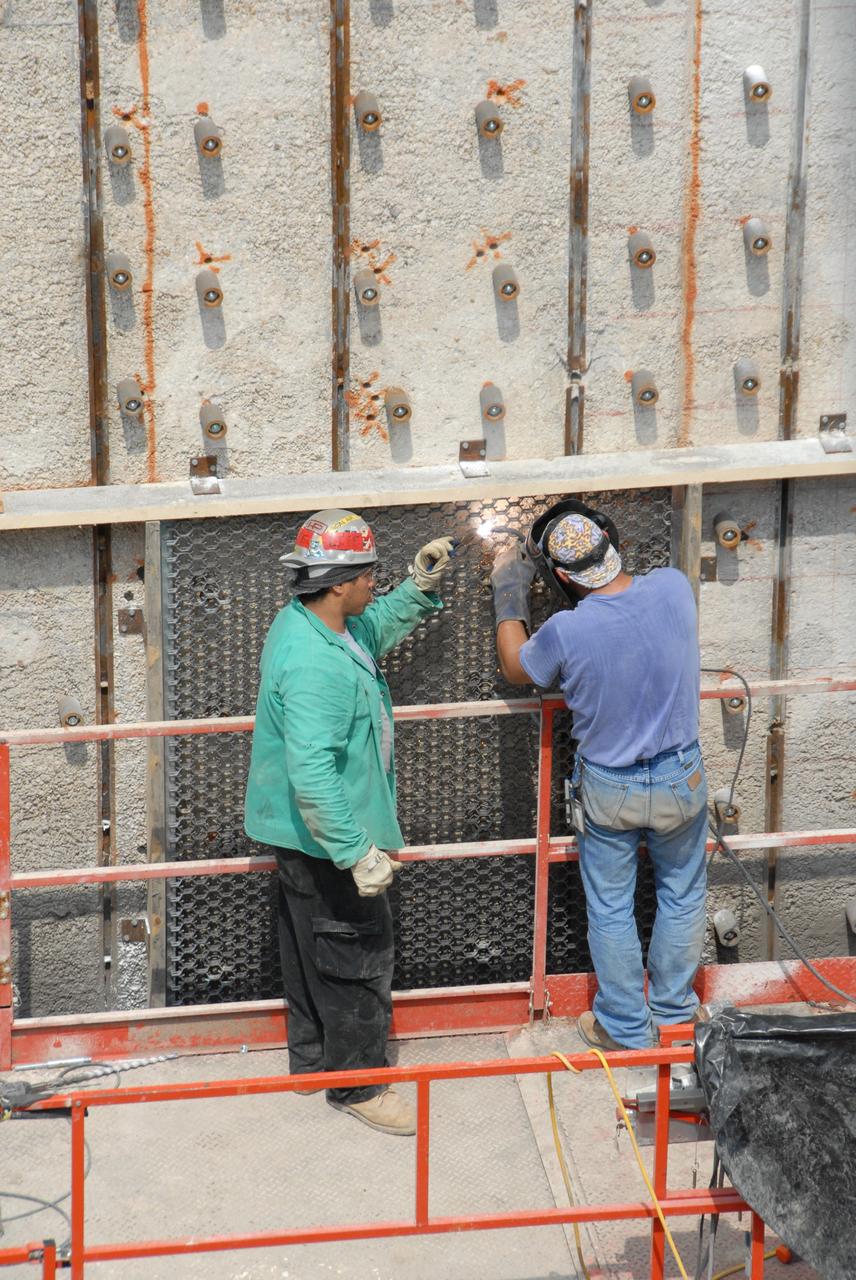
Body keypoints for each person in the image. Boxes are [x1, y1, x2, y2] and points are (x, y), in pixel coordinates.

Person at [244, 509, 454, 1135]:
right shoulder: (315, 664)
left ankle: (314, 1063)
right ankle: (359, 1084)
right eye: (368, 574)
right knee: (356, 953)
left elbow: (372, 625)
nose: (373, 583)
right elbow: (313, 773)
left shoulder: (312, 622)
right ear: (338, 582)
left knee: (309, 948)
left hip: (298, 834)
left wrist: (418, 587)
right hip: (329, 836)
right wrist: (356, 851)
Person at [489, 506, 708, 1051]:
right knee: (682, 894)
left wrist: (507, 591)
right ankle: (676, 1018)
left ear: (561, 577)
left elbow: (518, 668)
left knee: (612, 907)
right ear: (612, 541)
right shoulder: (675, 588)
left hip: (612, 785)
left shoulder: (567, 630)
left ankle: (625, 1028)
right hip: (682, 776)